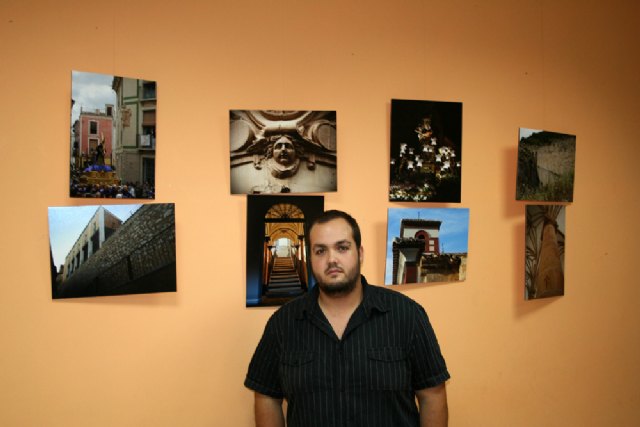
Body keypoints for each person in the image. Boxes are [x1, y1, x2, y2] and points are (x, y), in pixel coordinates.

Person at [245, 210, 450, 427]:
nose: (331, 259)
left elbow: (432, 395)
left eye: (342, 248)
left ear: (360, 254)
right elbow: (266, 395)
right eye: (320, 250)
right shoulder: (282, 324)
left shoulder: (407, 315)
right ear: (309, 257)